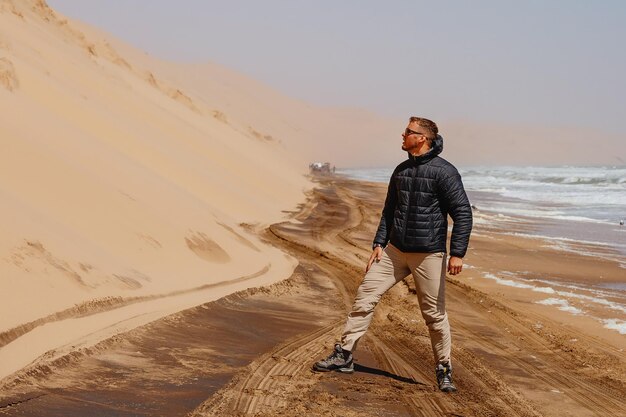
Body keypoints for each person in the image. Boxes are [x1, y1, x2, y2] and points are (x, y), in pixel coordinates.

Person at [312, 117, 472, 393]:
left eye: (408, 132)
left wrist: (457, 253)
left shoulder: (444, 172)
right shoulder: (401, 170)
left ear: (422, 138)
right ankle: (345, 354)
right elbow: (389, 211)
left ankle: (444, 368)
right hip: (395, 251)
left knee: (433, 314)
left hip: (428, 254)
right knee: (364, 296)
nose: (403, 135)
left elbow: (462, 213)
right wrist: (378, 243)